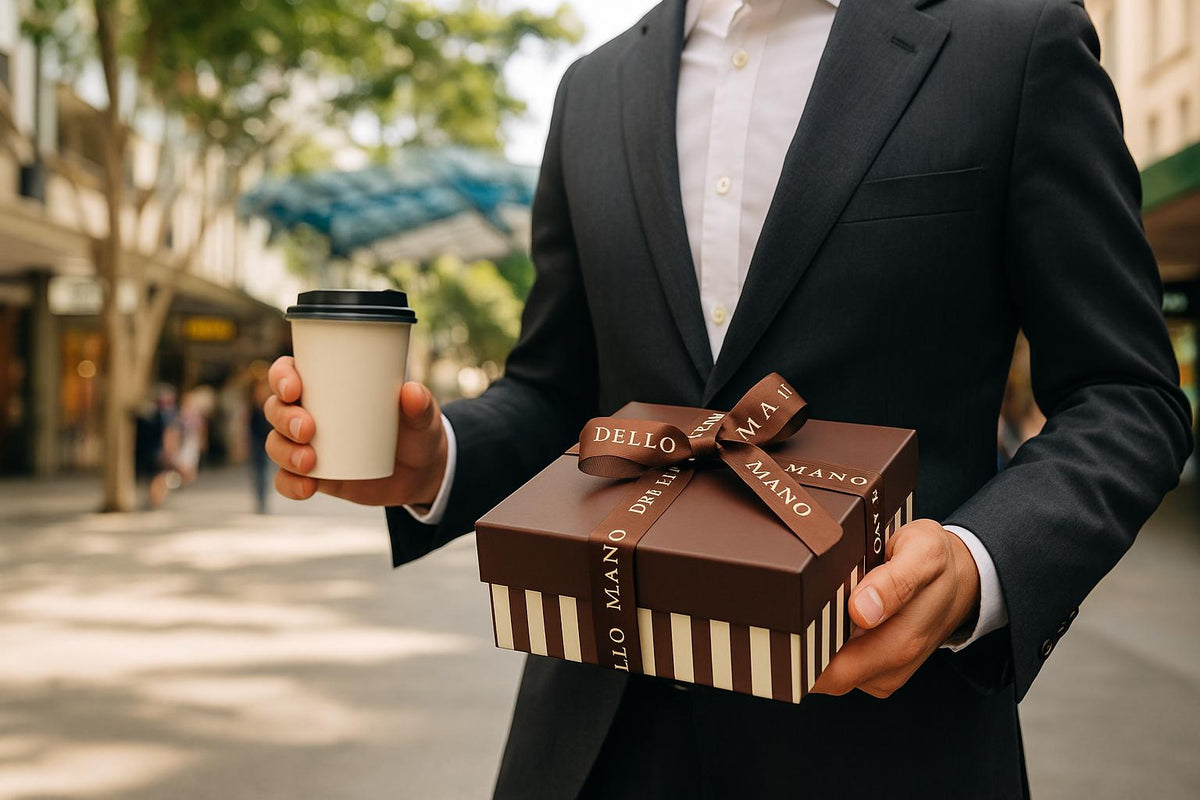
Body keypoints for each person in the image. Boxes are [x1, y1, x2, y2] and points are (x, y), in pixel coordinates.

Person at [263, 0, 1194, 796]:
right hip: (593, 738)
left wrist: (978, 562)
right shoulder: (593, 89)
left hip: (883, 736)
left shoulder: (1015, 37)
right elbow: (557, 395)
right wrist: (438, 456)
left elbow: (1127, 393)